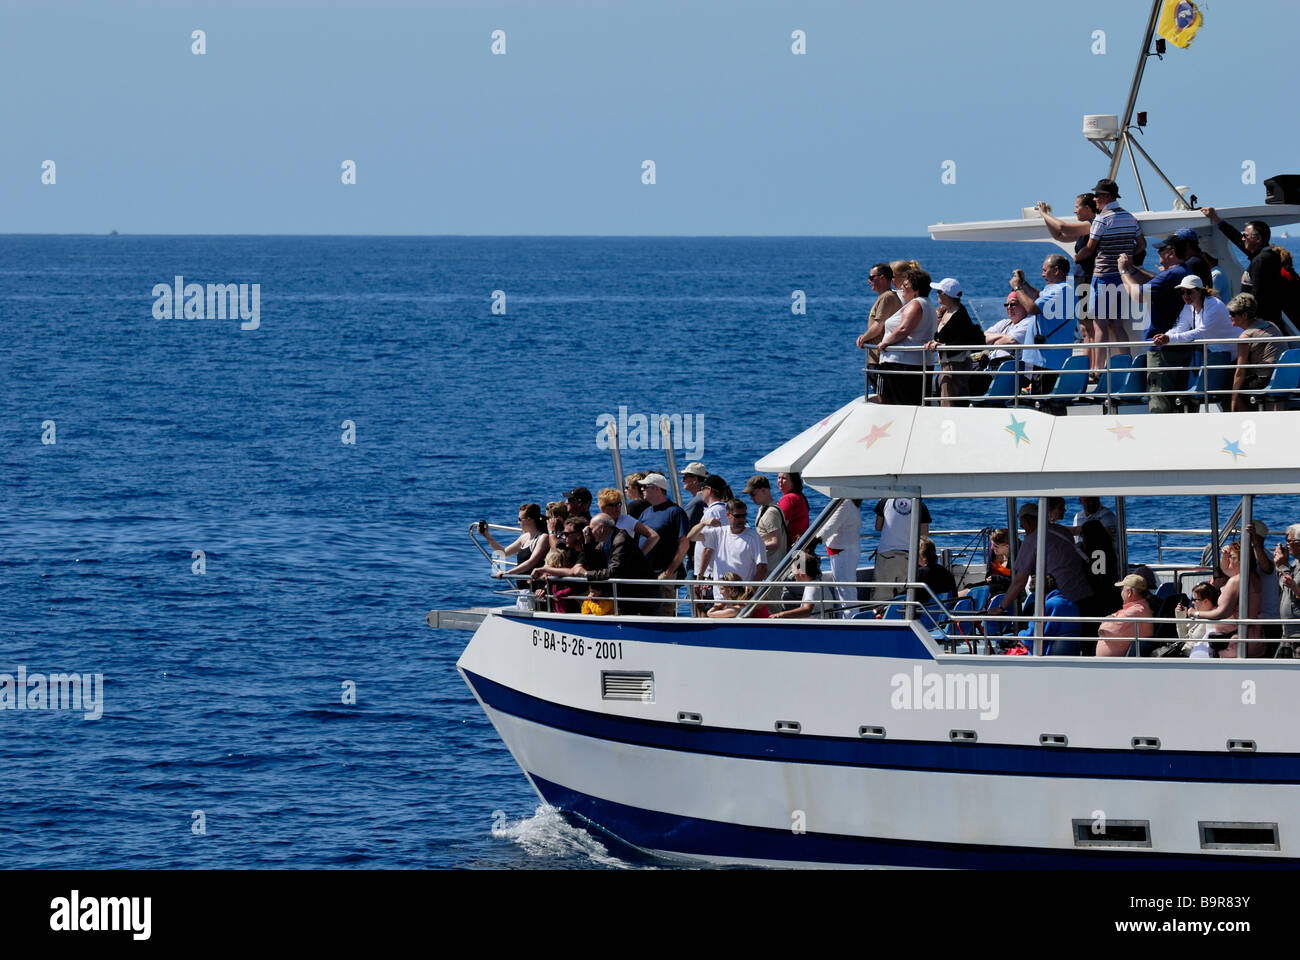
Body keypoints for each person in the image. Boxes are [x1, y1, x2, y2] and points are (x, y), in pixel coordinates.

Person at [1075, 178, 1146, 358]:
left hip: (1104, 276)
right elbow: (1142, 244)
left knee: (1100, 323)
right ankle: (1126, 363)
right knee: (1118, 325)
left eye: (1098, 195)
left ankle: (1098, 370)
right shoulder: (1130, 218)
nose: (1095, 199)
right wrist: (1128, 257)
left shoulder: (1102, 220)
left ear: (1106, 196)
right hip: (1123, 277)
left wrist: (1077, 257)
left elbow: (1090, 248)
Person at [1119, 235, 1190, 412]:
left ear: (1171, 253)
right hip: (1181, 346)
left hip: (1162, 349)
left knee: (1160, 401)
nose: (1157, 252)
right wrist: (1133, 270)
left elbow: (1138, 295)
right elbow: (1155, 281)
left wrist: (1123, 272)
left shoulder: (1171, 275)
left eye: (1161, 249)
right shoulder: (1184, 272)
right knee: (1180, 400)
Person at [535, 512, 656, 615]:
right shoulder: (606, 540)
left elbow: (614, 571)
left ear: (601, 528)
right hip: (628, 594)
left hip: (642, 594)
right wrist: (587, 542)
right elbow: (595, 559)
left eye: (591, 529)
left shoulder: (620, 540)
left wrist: (587, 574)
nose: (590, 532)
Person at [1037, 194, 1103, 376]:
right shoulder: (1084, 230)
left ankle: (1094, 369)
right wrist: (1047, 219)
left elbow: (1063, 227)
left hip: (1089, 280)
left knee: (1090, 327)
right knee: (1084, 328)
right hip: (1082, 280)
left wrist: (1044, 214)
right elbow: (1059, 234)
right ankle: (1087, 367)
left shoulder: (1092, 224)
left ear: (1088, 208)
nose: (1074, 210)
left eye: (1077, 207)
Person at [995, 502, 1095, 619]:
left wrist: (1001, 607)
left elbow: (1019, 581)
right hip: (1085, 592)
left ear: (1027, 521)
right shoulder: (1062, 531)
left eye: (1022, 526)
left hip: (1062, 601)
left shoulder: (1032, 540)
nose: (1024, 530)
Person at [1202, 209, 1285, 326]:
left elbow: (1258, 296)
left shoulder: (1261, 260)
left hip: (1260, 324)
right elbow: (1237, 238)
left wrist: (1245, 321)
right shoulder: (1265, 255)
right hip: (1265, 321)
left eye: (1245, 236)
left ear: (1257, 239)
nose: (1242, 238)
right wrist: (1217, 220)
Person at [1010, 254, 1076, 388]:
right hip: (1050, 359)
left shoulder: (1060, 290)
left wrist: (1017, 288)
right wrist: (1024, 283)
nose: (1042, 274)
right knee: (1054, 404)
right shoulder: (1060, 288)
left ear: (1056, 270)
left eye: (1045, 270)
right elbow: (1038, 296)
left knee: (1042, 403)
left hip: (1047, 360)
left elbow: (1031, 308)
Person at [876, 266, 939, 405]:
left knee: (897, 403)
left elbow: (904, 328)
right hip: (918, 363)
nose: (902, 288)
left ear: (915, 290)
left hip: (902, 365)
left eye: (906, 285)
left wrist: (885, 343)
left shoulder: (916, 304)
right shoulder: (928, 304)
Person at [1187, 542, 1261, 657]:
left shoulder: (1235, 581)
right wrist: (1225, 555)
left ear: (1242, 560)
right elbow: (1225, 568)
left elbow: (1222, 612)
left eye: (1232, 557)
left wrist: (1195, 613)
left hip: (1234, 642)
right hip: (1252, 635)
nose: (1229, 560)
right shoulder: (1253, 577)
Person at [1153, 275, 1236, 376]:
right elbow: (1180, 327)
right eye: (1182, 292)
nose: (1185, 295)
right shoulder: (1188, 307)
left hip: (1234, 354)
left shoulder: (1214, 305)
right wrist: (1164, 336)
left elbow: (1202, 332)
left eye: (1189, 291)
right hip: (1219, 355)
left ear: (1200, 291)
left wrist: (1169, 339)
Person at [689, 499, 768, 600]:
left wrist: (750, 593)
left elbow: (762, 568)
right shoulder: (718, 533)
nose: (741, 519)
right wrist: (704, 523)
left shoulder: (754, 538)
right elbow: (691, 537)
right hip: (720, 596)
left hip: (741, 598)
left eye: (744, 515)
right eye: (737, 516)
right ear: (728, 515)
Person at [636, 472, 691, 616]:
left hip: (663, 573)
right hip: (645, 573)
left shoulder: (675, 512)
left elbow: (684, 543)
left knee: (664, 612)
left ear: (657, 489)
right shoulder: (646, 512)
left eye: (645, 487)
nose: (642, 489)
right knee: (644, 611)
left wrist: (670, 571)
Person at [924, 277, 984, 405]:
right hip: (948, 363)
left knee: (950, 402)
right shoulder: (948, 311)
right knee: (947, 399)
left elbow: (964, 340)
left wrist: (943, 345)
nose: (937, 294)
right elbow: (944, 335)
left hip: (956, 364)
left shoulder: (959, 314)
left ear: (946, 295)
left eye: (939, 292)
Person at [1228, 293, 1283, 411]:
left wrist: (1233, 398)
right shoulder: (1270, 325)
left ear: (1244, 315)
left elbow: (1240, 371)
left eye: (1232, 313)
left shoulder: (1246, 336)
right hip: (1283, 378)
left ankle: (1244, 423)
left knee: (1230, 390)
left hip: (1266, 380)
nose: (1229, 316)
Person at [856, 262, 904, 396]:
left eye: (872, 277)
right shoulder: (886, 297)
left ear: (882, 278)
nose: (869, 280)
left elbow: (878, 325)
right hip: (877, 358)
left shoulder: (887, 297)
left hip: (879, 359)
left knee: (883, 396)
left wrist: (863, 338)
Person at [873, 497, 931, 602]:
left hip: (886, 555)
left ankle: (880, 616)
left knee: (882, 596)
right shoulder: (919, 504)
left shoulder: (885, 501)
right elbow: (924, 535)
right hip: (909, 556)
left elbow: (878, 526)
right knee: (906, 596)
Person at [1015, 573, 1082, 656]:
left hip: (1047, 659)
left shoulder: (1045, 606)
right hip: (1071, 656)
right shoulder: (1072, 605)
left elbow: (1030, 637)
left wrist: (1020, 635)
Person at [480, 503, 550, 579]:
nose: (518, 522)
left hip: (533, 587)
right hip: (521, 587)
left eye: (520, 519)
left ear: (529, 520)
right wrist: (486, 535)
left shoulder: (542, 537)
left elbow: (531, 562)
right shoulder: (524, 537)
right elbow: (504, 553)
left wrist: (508, 573)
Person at [1096, 574, 1154, 657]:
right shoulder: (1138, 608)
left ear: (1129, 593)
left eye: (1122, 589)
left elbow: (1102, 631)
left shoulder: (1133, 612)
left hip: (1114, 665)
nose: (1121, 593)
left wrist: (1105, 622)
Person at [983, 293, 1038, 379]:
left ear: (1024, 305)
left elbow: (1011, 340)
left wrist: (992, 341)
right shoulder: (1005, 323)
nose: (1009, 307)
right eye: (1006, 305)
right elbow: (982, 337)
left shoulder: (1030, 322)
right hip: (992, 369)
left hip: (1017, 375)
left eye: (1013, 304)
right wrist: (1002, 337)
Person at [822, 498, 863, 613]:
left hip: (843, 552)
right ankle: (850, 619)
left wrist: (814, 540)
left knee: (846, 592)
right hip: (845, 551)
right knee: (845, 590)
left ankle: (851, 621)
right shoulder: (851, 504)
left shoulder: (845, 504)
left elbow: (830, 527)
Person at [744, 474, 789, 572]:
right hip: (767, 565)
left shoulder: (770, 512)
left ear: (764, 490)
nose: (751, 498)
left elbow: (776, 542)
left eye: (753, 494)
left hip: (772, 568)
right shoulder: (764, 508)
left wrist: (753, 544)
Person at [596, 488, 660, 556]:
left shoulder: (627, 520)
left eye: (619, 504)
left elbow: (653, 536)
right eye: (613, 505)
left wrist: (639, 556)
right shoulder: (597, 522)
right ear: (603, 507)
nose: (618, 507)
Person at [770, 548, 828, 619]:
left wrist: (782, 614)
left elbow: (807, 610)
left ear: (801, 574)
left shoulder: (812, 587)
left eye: (794, 573)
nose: (793, 576)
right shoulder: (818, 582)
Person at [1175, 582, 1223, 658]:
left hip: (1195, 658)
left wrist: (1196, 613)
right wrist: (1180, 615)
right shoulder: (1199, 615)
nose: (1192, 603)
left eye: (1194, 600)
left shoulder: (1214, 619)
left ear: (1205, 601)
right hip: (1185, 655)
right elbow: (1184, 638)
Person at [1275, 524, 1300, 649]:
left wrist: (1282, 566)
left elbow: (1291, 591)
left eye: (1289, 541)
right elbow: (1287, 587)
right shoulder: (1296, 563)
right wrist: (1283, 565)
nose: (1287, 545)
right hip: (1290, 632)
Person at [706, 573, 771, 619]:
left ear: (731, 589)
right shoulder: (748, 599)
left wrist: (722, 602)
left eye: (722, 589)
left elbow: (710, 613)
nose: (720, 592)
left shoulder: (737, 608)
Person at [777, 472, 810, 542]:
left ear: (793, 482)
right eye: (779, 478)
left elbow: (780, 527)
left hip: (790, 547)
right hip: (800, 544)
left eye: (784, 478)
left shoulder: (788, 499)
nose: (780, 480)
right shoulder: (799, 496)